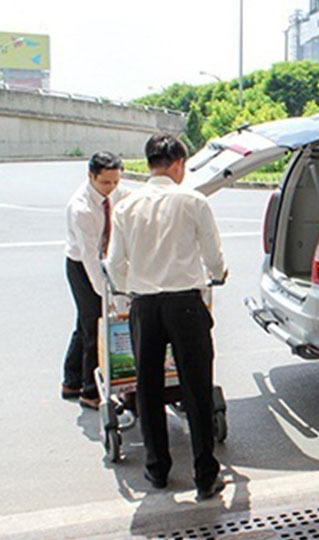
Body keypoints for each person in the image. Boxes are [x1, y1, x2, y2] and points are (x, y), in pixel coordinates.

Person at [105, 133, 227, 499]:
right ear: (177, 164)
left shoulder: (126, 205)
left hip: (145, 307)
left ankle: (157, 470)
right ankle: (205, 474)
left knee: (148, 386)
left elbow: (113, 264)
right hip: (186, 305)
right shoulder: (193, 200)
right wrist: (218, 274)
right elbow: (213, 255)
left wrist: (132, 289)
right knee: (196, 386)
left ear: (149, 164)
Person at [62, 151, 129, 409]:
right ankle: (90, 392)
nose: (111, 188)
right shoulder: (81, 208)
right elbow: (89, 258)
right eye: (105, 183)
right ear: (90, 176)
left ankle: (71, 380)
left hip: (103, 259)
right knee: (94, 323)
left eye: (116, 182)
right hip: (81, 265)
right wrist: (107, 294)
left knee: (84, 321)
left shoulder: (116, 192)